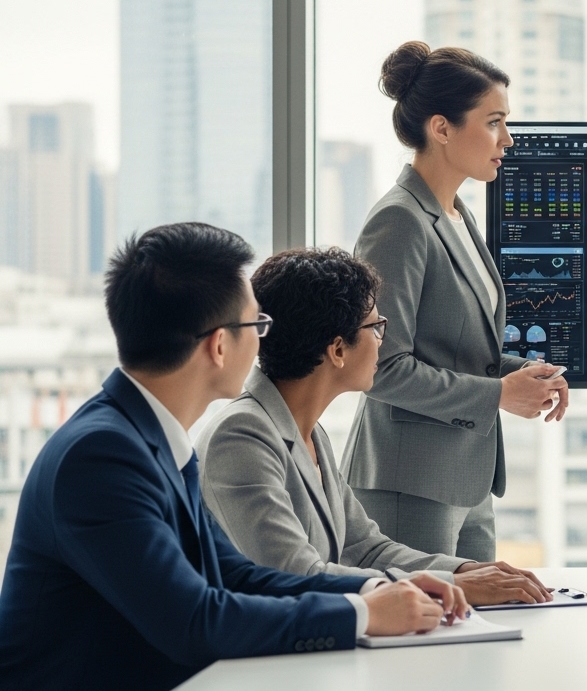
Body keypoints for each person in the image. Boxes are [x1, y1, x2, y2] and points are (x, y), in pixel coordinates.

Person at [0, 223, 467, 691]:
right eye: (256, 325)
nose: (265, 341)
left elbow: (236, 574)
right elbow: (194, 621)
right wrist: (362, 614)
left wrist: (372, 590)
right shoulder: (101, 457)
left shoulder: (151, 439)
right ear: (219, 345)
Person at [199, 247, 553, 605]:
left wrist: (465, 571)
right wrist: (450, 586)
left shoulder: (307, 431)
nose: (383, 342)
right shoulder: (241, 435)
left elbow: (365, 547)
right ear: (338, 350)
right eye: (376, 327)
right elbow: (295, 575)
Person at [343, 41, 568, 561]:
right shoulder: (399, 221)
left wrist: (527, 373)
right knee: (430, 636)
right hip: (409, 482)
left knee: (483, 626)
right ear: (442, 128)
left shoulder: (457, 215)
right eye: (493, 122)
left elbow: (458, 346)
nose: (507, 140)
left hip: (467, 480)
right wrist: (497, 395)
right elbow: (380, 366)